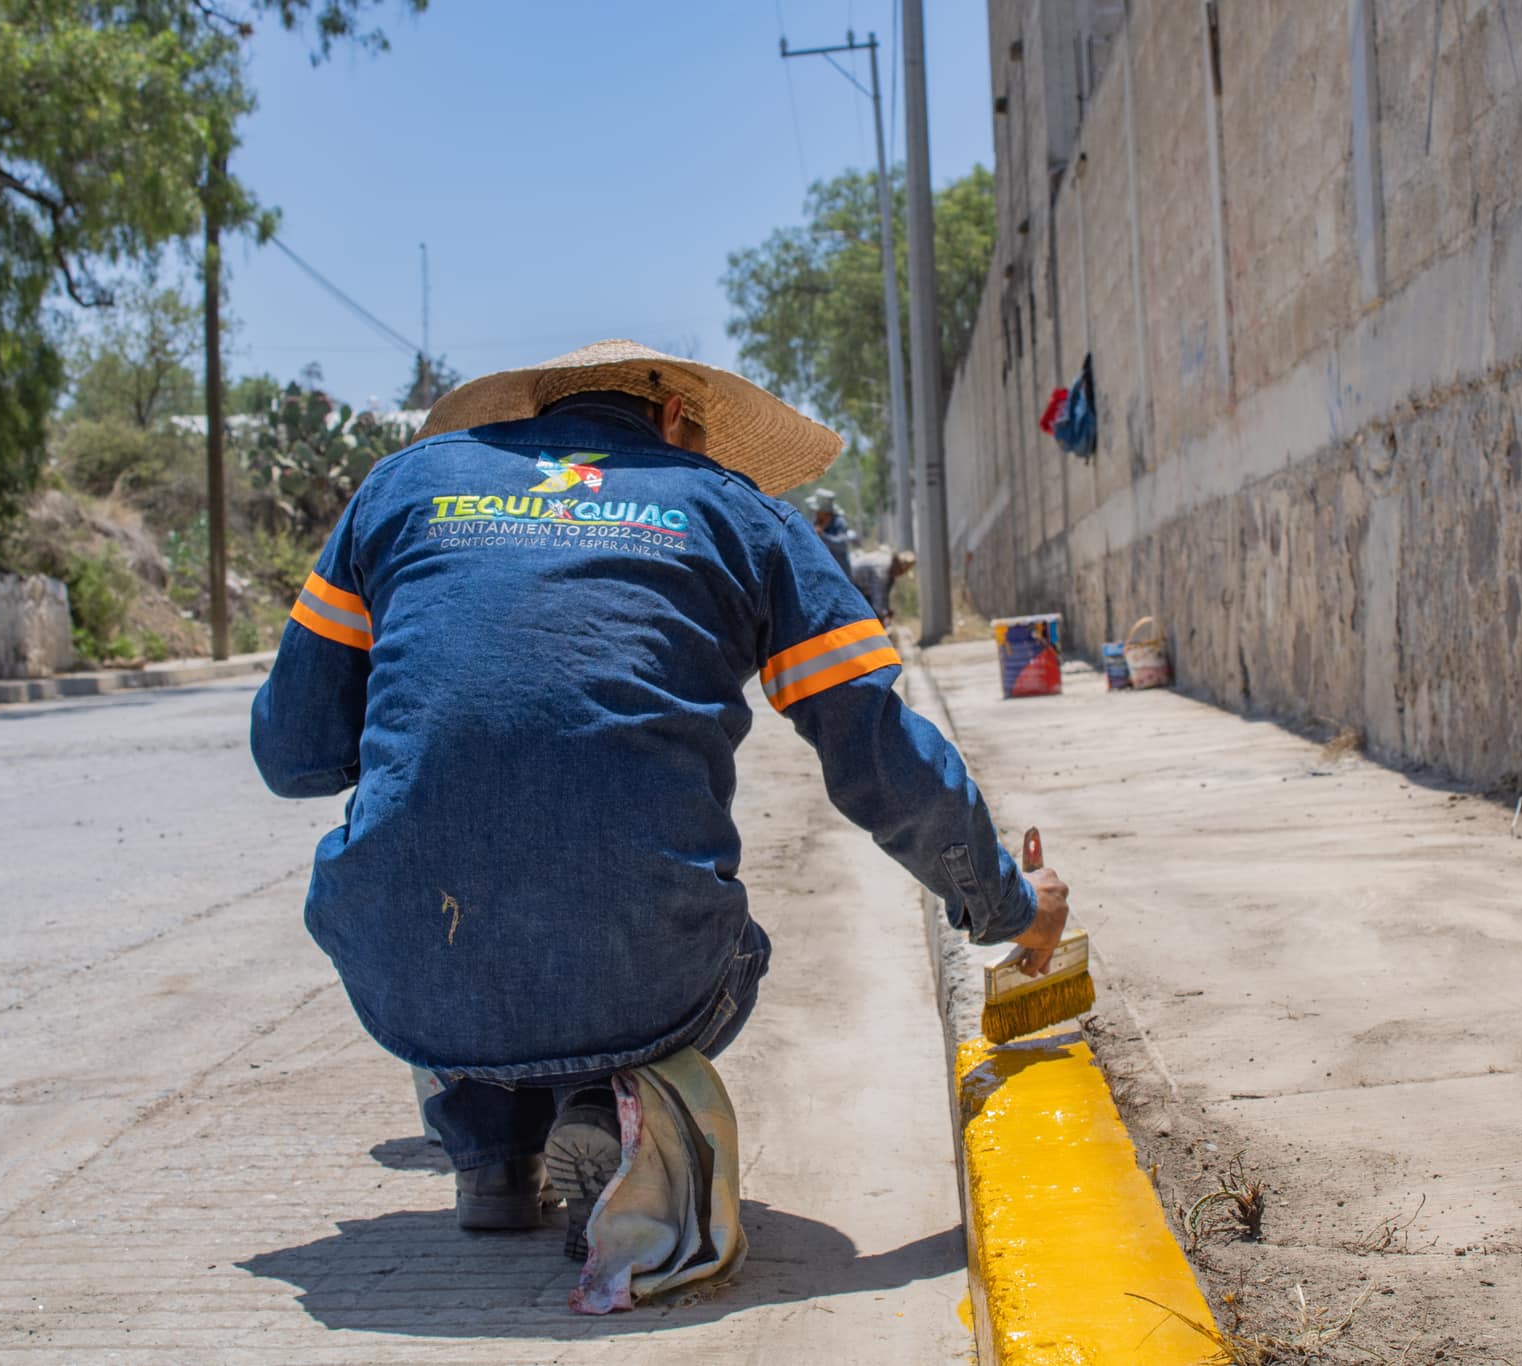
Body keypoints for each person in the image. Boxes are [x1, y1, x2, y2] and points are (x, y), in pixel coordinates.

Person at [249, 340, 1069, 1263]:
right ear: (675, 415)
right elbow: (880, 757)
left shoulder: (400, 491)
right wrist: (1007, 904)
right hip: (648, 977)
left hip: (416, 973)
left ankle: (490, 1156)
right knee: (707, 931)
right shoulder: (741, 516)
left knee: (419, 857)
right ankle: (609, 1097)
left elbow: (293, 756)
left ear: (538, 412)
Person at [848, 545, 915, 624]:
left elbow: (883, 596)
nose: (900, 575)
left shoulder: (887, 563)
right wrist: (885, 615)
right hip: (850, 582)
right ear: (898, 566)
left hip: (859, 585)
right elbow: (878, 602)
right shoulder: (881, 572)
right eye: (901, 572)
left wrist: (886, 610)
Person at [804, 487, 853, 574]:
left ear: (824, 512)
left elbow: (842, 544)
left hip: (841, 574)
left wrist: (823, 536)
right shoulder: (816, 523)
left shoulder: (839, 523)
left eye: (818, 511)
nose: (816, 513)